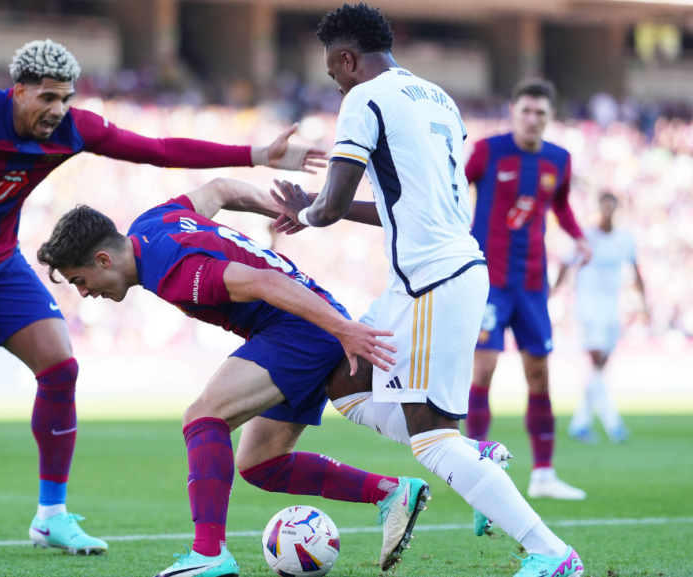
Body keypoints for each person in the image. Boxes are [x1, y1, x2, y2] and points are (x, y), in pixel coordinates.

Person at [0, 39, 325, 562]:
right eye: (48, 98)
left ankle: (50, 516)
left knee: (61, 368)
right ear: (19, 91)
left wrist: (257, 155)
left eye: (66, 99)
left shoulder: (75, 130)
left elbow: (160, 150)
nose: (58, 110)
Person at [269, 5, 584, 576]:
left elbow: (334, 202)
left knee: (431, 440)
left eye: (332, 69)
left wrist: (307, 214)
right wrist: (320, 211)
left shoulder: (363, 98)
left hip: (436, 278)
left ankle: (552, 554)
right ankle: (477, 457)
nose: (333, 80)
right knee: (343, 381)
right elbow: (402, 203)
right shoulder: (438, 97)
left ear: (347, 58)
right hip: (421, 278)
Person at [39, 177, 430, 577]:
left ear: (103, 260)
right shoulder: (152, 222)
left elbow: (266, 282)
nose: (84, 294)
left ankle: (209, 553)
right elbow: (222, 189)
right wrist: (280, 210)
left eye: (80, 282)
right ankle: (390, 492)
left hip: (299, 325)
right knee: (261, 463)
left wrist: (342, 329)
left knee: (203, 416)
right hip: (304, 320)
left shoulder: (173, 269)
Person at [463, 78, 591, 501]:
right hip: (490, 283)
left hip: (533, 285)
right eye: (526, 111)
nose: (533, 119)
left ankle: (544, 473)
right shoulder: (487, 151)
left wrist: (578, 236)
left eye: (541, 113)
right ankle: (473, 469)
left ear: (549, 117)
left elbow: (560, 205)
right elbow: (455, 188)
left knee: (540, 375)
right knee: (483, 369)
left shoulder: (559, 160)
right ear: (512, 111)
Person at [555, 193, 646, 444]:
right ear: (599, 207)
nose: (607, 209)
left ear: (616, 208)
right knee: (596, 360)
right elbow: (565, 264)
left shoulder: (624, 239)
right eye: (604, 204)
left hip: (610, 309)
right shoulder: (585, 236)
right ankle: (613, 423)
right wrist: (555, 289)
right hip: (587, 306)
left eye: (611, 205)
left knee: (599, 368)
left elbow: (636, 271)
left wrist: (643, 304)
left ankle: (580, 424)